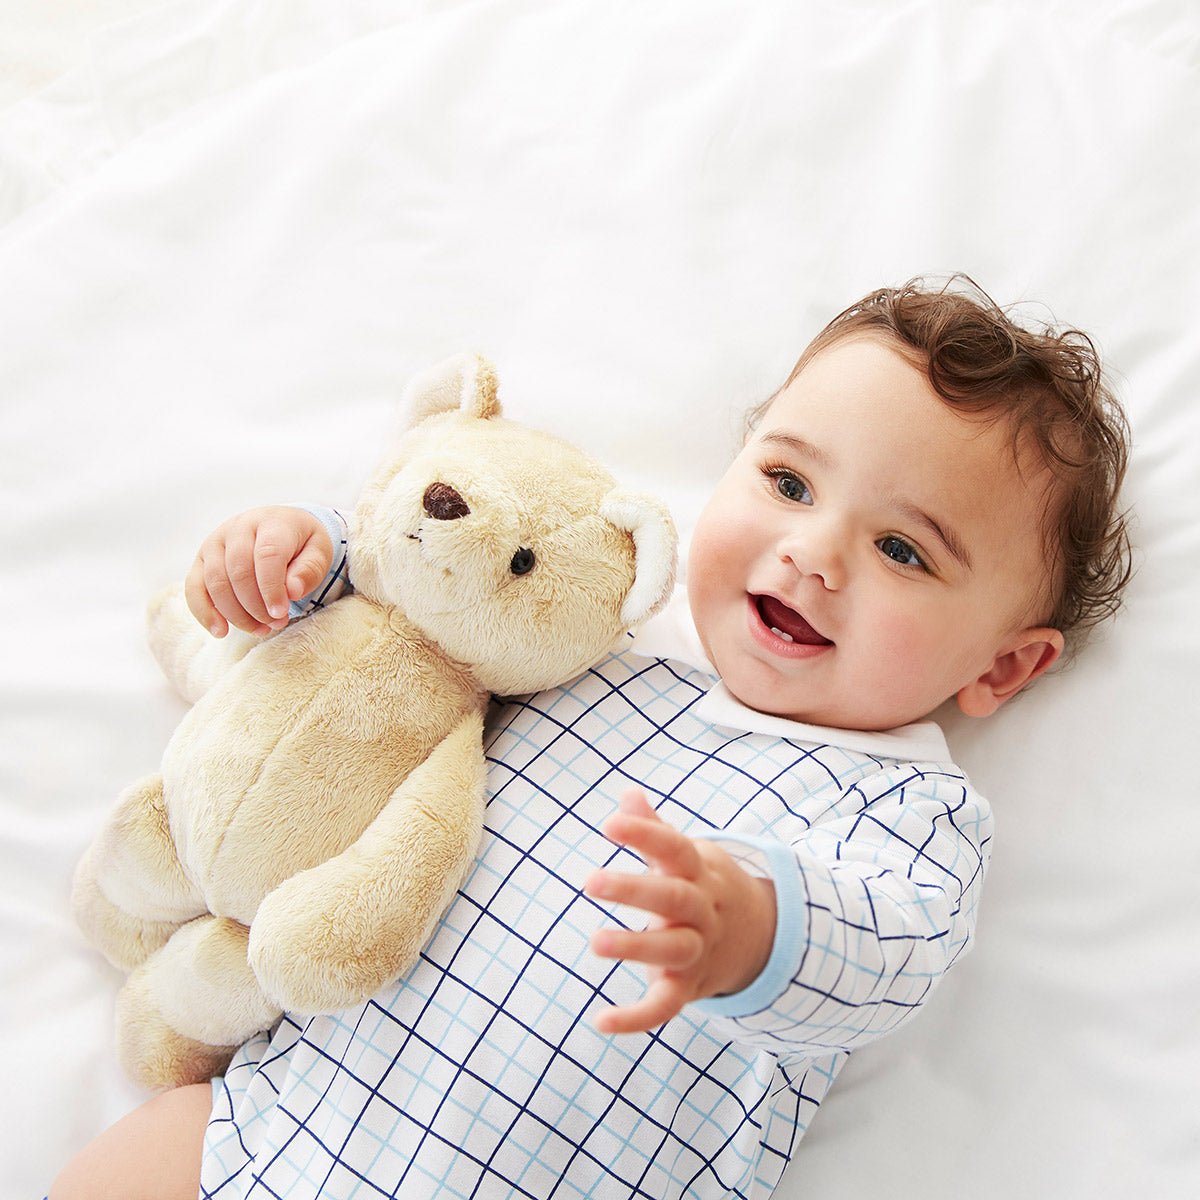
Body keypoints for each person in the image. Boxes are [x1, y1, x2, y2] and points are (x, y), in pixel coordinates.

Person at [50, 277, 1132, 1200]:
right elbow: (430, 629)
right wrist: (311, 557)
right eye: (788, 483)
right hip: (292, 1121)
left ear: (1001, 667)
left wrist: (754, 928)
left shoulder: (905, 812)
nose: (812, 553)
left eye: (903, 549)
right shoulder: (601, 651)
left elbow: (885, 963)